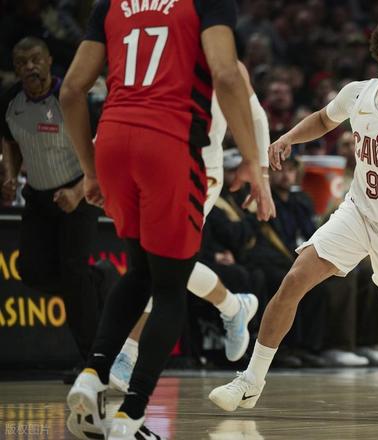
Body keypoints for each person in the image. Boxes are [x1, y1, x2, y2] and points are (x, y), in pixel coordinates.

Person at [209, 13, 378, 412]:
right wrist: (288, 138)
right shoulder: (358, 94)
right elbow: (323, 119)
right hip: (358, 213)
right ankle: (251, 380)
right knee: (295, 280)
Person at [60, 1, 274, 438]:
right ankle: (133, 398)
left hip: (123, 143)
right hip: (175, 150)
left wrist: (90, 169)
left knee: (147, 269)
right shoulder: (202, 16)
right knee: (167, 280)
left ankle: (102, 367)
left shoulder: (116, 7)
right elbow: (228, 78)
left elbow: (70, 90)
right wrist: (257, 168)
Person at [106, 61, 272, 393]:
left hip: (201, 172)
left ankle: (129, 353)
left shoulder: (227, 64)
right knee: (163, 261)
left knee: (159, 259)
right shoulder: (160, 52)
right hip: (154, 166)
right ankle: (233, 307)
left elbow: (256, 116)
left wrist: (260, 170)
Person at [0, 37, 117, 371]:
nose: (30, 67)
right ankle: (99, 278)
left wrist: (77, 193)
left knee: (72, 272)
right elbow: (9, 139)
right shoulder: (10, 101)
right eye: (21, 62)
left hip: (80, 193)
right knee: (31, 272)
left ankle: (93, 363)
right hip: (38, 197)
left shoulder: (71, 99)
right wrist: (10, 174)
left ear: (49, 61)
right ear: (15, 69)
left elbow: (102, 152)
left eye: (35, 59)